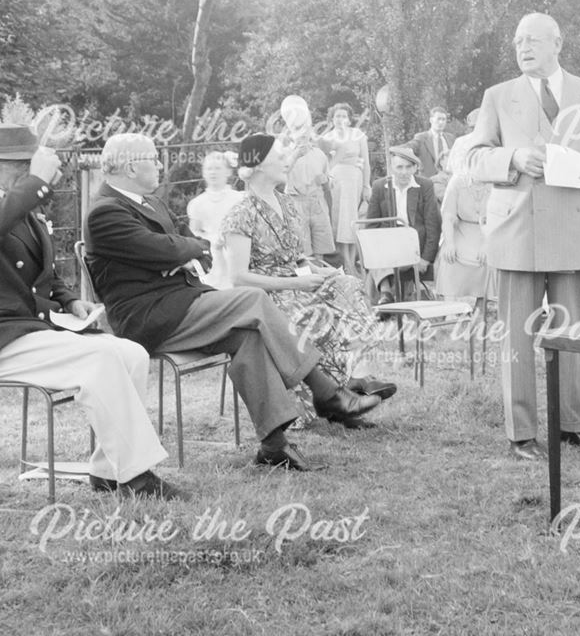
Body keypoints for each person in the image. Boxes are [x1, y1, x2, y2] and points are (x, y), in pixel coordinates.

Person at [84, 134, 381, 473]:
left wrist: (180, 250)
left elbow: (177, 245)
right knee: (253, 299)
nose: (160, 165)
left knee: (249, 337)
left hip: (181, 303)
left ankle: (274, 444)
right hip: (151, 318)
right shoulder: (104, 212)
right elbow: (172, 248)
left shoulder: (148, 204)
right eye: (154, 158)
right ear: (132, 165)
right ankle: (326, 391)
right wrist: (181, 251)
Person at [468, 12, 580, 461]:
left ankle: (573, 425)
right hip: (518, 231)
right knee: (516, 337)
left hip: (575, 230)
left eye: (532, 39)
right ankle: (521, 434)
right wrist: (513, 157)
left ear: (558, 43)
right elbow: (475, 158)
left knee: (573, 332)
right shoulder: (497, 97)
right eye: (517, 41)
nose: (523, 47)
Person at [0, 125, 183, 499]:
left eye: (28, 165)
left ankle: (108, 471)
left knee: (130, 352)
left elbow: (40, 274)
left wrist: (68, 299)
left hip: (27, 329)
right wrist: (34, 181)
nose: (27, 172)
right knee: (99, 359)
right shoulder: (14, 204)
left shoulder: (18, 207)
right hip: (6, 336)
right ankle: (137, 477)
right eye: (20, 165)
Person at [221, 133, 393, 415]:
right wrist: (297, 281)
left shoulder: (287, 204)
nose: (286, 161)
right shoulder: (240, 214)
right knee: (313, 313)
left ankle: (347, 382)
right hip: (265, 297)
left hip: (295, 282)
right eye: (278, 156)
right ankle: (336, 394)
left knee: (347, 286)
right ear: (260, 165)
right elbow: (238, 278)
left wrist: (314, 270)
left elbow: (295, 256)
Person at [365, 145, 441, 303]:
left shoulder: (424, 186)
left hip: (413, 243)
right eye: (399, 167)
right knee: (376, 251)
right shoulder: (380, 186)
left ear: (415, 168)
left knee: (388, 259)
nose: (404, 172)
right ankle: (386, 294)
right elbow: (371, 226)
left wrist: (426, 259)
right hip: (386, 242)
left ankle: (386, 295)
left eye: (408, 167)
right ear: (392, 168)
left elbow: (433, 225)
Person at [434, 134, 495, 305]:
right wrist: (450, 242)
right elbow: (448, 216)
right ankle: (450, 309)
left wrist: (486, 244)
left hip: (488, 232)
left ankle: (482, 308)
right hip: (461, 229)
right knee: (450, 257)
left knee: (488, 258)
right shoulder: (457, 182)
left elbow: (496, 219)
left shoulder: (495, 183)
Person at [317, 104, 370, 275]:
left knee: (352, 219)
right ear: (331, 119)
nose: (341, 120)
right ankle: (346, 262)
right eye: (337, 116)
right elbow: (324, 163)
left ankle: (352, 261)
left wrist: (366, 185)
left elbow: (366, 162)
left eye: (344, 116)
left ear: (349, 119)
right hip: (336, 180)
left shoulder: (358, 135)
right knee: (339, 220)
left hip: (354, 178)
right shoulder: (328, 137)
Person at [284, 111, 337, 262]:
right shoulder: (287, 153)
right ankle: (306, 280)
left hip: (317, 201)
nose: (302, 134)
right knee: (302, 248)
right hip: (296, 202)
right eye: (297, 130)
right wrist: (295, 155)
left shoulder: (319, 154)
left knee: (321, 246)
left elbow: (330, 182)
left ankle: (321, 278)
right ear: (291, 133)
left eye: (305, 130)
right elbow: (282, 172)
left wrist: (325, 180)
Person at [186, 151, 244, 289]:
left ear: (228, 172)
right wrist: (212, 239)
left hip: (237, 249)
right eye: (209, 169)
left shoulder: (239, 199)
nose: (213, 172)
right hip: (213, 252)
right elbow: (194, 231)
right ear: (203, 173)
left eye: (218, 168)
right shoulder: (197, 203)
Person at [410, 107, 456, 179]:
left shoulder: (451, 138)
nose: (441, 122)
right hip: (427, 183)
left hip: (448, 181)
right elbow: (410, 147)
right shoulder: (421, 138)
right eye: (438, 119)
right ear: (431, 120)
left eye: (443, 119)